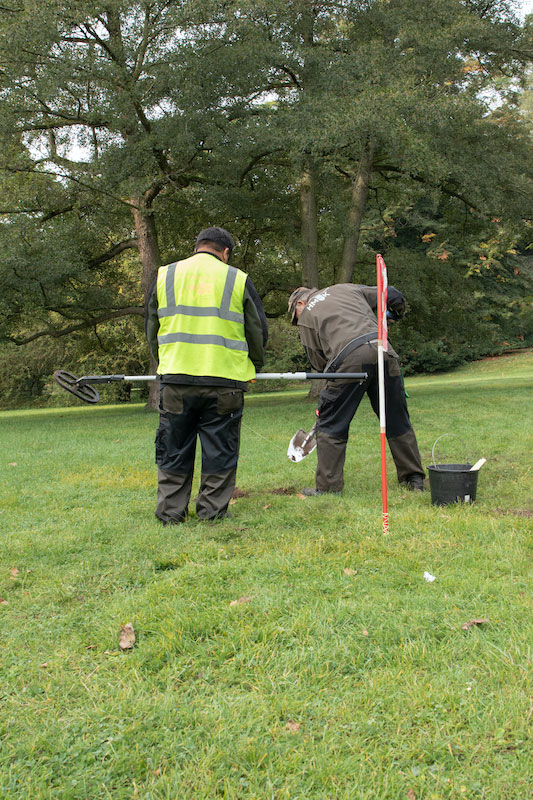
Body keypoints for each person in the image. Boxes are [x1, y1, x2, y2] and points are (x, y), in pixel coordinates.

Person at [146, 227, 268, 523]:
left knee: (174, 448)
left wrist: (165, 361)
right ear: (225, 252)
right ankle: (211, 512)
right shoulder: (237, 279)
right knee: (220, 450)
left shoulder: (166, 275)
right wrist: (254, 364)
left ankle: (170, 513)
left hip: (176, 380)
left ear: (198, 246)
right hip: (224, 383)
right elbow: (257, 331)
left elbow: (152, 328)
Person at [288, 283, 425, 496]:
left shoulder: (306, 315)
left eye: (295, 317)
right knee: (396, 419)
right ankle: (414, 479)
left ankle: (328, 488)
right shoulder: (345, 289)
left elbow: (318, 362)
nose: (298, 322)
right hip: (384, 350)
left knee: (331, 424)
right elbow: (392, 293)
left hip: (347, 359)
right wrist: (396, 314)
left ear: (300, 303)